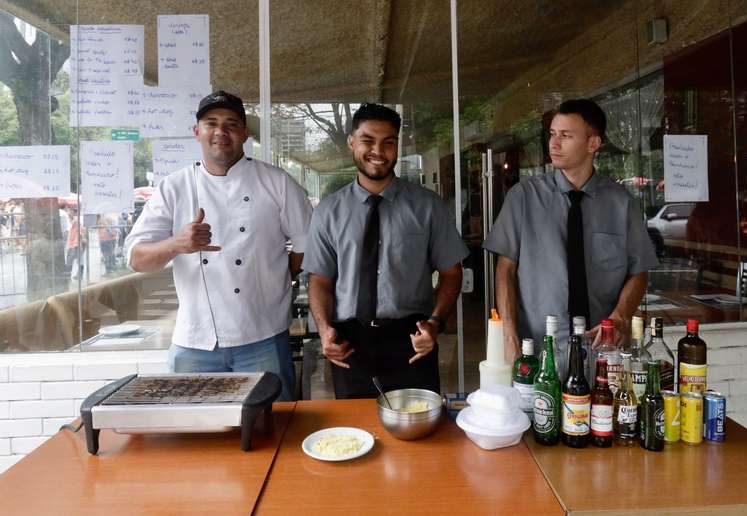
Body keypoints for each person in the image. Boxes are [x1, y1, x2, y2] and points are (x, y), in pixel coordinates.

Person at [125, 91, 312, 401]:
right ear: (196, 132)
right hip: (194, 342)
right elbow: (135, 258)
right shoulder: (174, 187)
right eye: (211, 123)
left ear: (245, 134)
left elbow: (307, 245)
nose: (220, 132)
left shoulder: (277, 183)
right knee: (194, 435)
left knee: (275, 427)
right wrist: (177, 243)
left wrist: (275, 279)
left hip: (264, 336)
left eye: (231, 124)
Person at [303, 103, 469, 399]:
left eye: (388, 142)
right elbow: (320, 280)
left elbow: (451, 273)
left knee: (419, 436)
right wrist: (324, 328)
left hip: (412, 341)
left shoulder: (427, 207)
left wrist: (435, 322)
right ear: (352, 142)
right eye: (367, 140)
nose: (378, 150)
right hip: (350, 345)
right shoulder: (328, 212)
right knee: (355, 435)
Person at [483, 98, 658, 377]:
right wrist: (509, 337)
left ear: (593, 144)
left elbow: (638, 271)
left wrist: (620, 316)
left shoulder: (621, 203)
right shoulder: (524, 197)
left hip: (603, 351)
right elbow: (505, 270)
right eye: (552, 134)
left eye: (565, 135)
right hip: (539, 351)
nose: (553, 143)